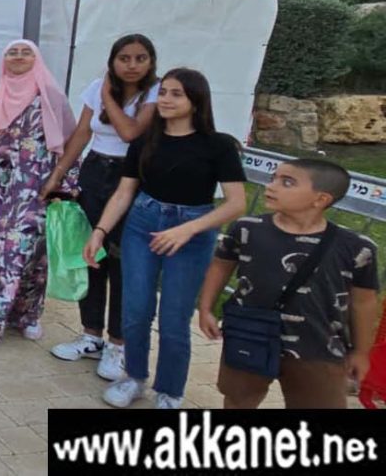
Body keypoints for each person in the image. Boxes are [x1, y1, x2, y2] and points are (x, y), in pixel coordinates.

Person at [86, 68, 247, 409]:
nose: (166, 99)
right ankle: (133, 377)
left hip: (192, 231)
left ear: (196, 100)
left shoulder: (218, 145)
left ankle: (170, 391)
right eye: (162, 92)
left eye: (176, 93)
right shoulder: (145, 141)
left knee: (174, 317)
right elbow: (124, 192)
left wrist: (187, 229)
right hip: (142, 223)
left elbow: (236, 203)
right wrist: (100, 231)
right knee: (135, 310)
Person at [201, 159, 379, 409]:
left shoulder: (356, 248)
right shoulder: (247, 229)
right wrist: (206, 308)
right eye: (273, 178)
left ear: (320, 199)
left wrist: (361, 351)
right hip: (249, 334)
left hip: (318, 346)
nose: (271, 186)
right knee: (238, 398)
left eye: (287, 182)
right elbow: (220, 266)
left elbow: (364, 301)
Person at [45, 34, 159, 381]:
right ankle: (90, 334)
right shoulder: (96, 87)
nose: (132, 65)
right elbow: (82, 133)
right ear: (113, 60)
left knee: (122, 263)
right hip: (95, 171)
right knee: (90, 255)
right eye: (124, 58)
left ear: (151, 61)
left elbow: (130, 133)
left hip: (131, 178)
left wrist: (109, 96)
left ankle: (118, 344)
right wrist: (58, 174)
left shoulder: (155, 93)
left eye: (140, 58)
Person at [0, 40, 77, 343]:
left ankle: (28, 315)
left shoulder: (51, 95)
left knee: (32, 253)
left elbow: (70, 141)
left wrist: (65, 182)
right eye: (12, 52)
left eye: (26, 52)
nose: (18, 57)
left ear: (37, 58)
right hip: (2, 186)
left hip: (38, 186)